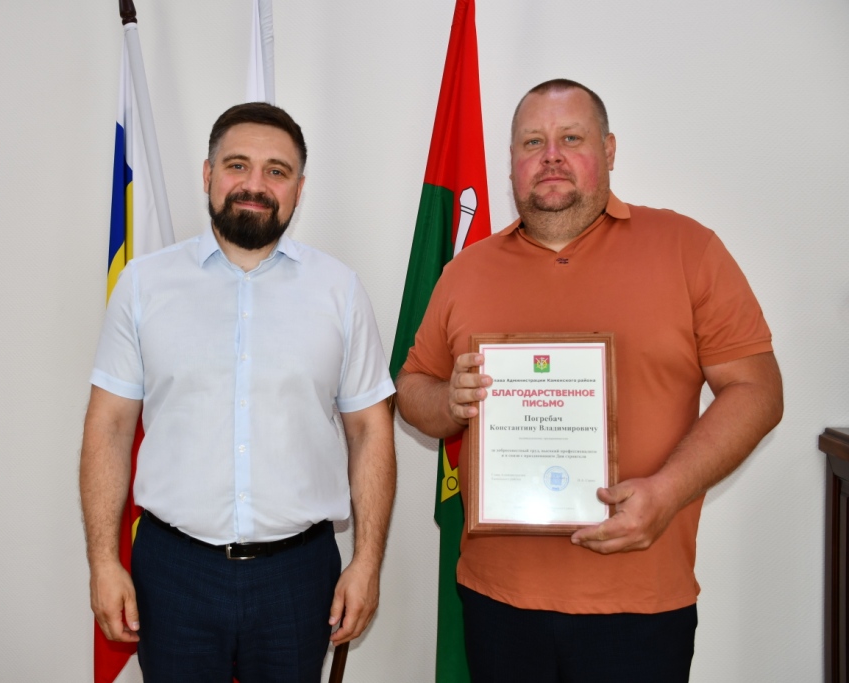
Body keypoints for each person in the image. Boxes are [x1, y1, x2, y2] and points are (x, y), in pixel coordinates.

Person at [395, 79, 783, 682]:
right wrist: (448, 402)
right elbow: (412, 387)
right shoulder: (465, 270)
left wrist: (667, 492)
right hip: (497, 601)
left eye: (571, 138)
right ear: (512, 163)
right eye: (532, 142)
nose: (550, 156)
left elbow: (758, 391)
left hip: (640, 606)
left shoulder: (687, 248)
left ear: (609, 150)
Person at [79, 102, 396, 682]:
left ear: (299, 189)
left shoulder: (340, 291)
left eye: (277, 171)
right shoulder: (144, 285)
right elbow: (110, 425)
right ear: (208, 174)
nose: (255, 184)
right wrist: (103, 560)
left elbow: (370, 430)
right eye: (237, 165)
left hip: (298, 576)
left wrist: (367, 562)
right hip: (173, 572)